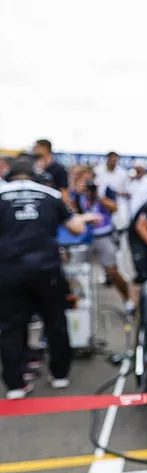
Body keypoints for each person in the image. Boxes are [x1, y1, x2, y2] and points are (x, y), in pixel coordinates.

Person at [0, 158, 100, 398]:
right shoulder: (50, 195)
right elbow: (77, 228)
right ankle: (60, 375)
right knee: (55, 321)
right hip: (47, 269)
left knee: (11, 326)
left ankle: (15, 384)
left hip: (9, 270)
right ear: (34, 175)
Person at [70, 167, 131, 310]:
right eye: (82, 179)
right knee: (76, 273)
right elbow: (70, 213)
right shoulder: (76, 193)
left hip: (103, 235)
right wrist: (76, 195)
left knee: (112, 270)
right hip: (83, 237)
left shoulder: (104, 190)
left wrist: (97, 196)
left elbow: (115, 207)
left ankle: (128, 300)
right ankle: (78, 305)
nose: (86, 182)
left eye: (88, 178)